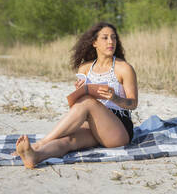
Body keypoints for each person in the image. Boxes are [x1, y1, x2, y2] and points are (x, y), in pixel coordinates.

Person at [15, 22, 138, 169]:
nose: (111, 42)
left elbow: (133, 103)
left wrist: (115, 98)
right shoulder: (85, 68)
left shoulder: (124, 68)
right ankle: (35, 156)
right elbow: (76, 109)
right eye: (105, 38)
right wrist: (78, 92)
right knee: (68, 140)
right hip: (93, 124)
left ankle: (41, 142)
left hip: (119, 129)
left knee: (87, 101)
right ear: (94, 43)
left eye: (113, 38)